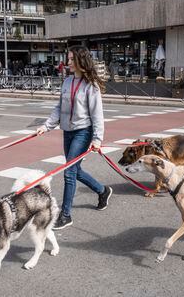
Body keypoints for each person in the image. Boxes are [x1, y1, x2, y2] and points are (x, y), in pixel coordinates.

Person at [36, 45, 112, 230]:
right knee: (75, 170)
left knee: (69, 172)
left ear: (80, 61)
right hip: (67, 131)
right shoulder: (67, 82)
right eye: (68, 58)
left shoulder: (91, 85)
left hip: (83, 132)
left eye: (71, 59)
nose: (67, 62)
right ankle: (103, 191)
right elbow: (58, 108)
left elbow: (97, 115)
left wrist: (97, 139)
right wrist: (46, 126)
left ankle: (66, 214)